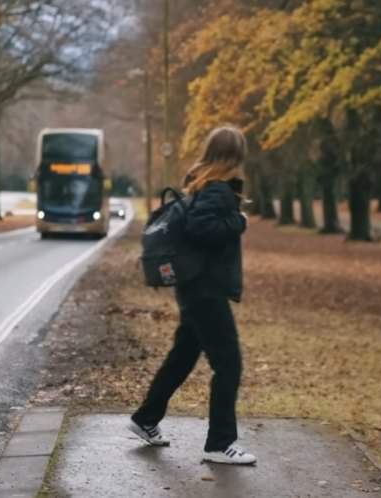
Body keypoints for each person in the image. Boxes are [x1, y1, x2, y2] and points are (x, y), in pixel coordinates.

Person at [128, 126, 255, 465]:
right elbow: (202, 228)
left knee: (183, 355)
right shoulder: (218, 190)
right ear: (235, 157)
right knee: (228, 364)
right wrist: (238, 222)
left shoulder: (201, 185)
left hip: (193, 286)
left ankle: (145, 419)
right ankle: (220, 444)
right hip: (205, 290)